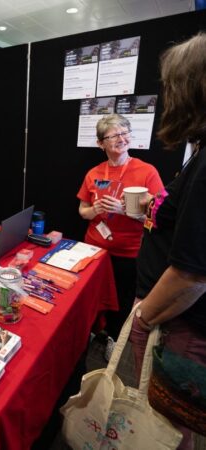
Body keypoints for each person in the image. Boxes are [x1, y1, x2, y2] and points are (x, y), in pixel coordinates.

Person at [130, 33, 206, 450]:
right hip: (175, 316)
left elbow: (191, 274)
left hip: (182, 324)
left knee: (167, 426)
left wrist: (144, 317)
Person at [77, 113, 164, 359]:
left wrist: (124, 211)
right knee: (91, 297)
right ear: (100, 143)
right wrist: (95, 209)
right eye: (113, 134)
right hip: (94, 250)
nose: (121, 138)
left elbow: (158, 217)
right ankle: (94, 332)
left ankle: (114, 338)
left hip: (128, 252)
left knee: (122, 300)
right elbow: (82, 211)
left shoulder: (147, 172)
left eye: (125, 132)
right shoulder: (94, 173)